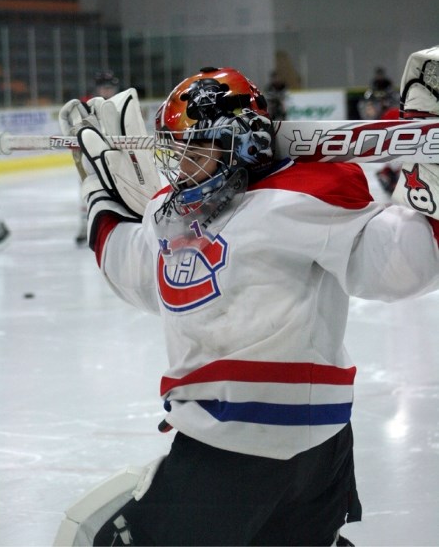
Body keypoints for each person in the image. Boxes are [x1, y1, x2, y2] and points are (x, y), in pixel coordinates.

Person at [56, 61, 439, 546]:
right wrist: (104, 202)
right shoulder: (169, 217)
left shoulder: (297, 196)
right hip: (312, 452)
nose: (181, 164)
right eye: (177, 150)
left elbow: (400, 265)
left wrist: (433, 193)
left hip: (229, 455)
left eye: (194, 147)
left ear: (238, 141)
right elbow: (133, 268)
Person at [75, 70, 120, 245]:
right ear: (98, 88)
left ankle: (113, 221)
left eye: (111, 88)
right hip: (89, 156)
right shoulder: (84, 105)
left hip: (114, 154)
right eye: (104, 88)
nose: (108, 91)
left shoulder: (119, 103)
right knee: (88, 187)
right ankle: (85, 223)